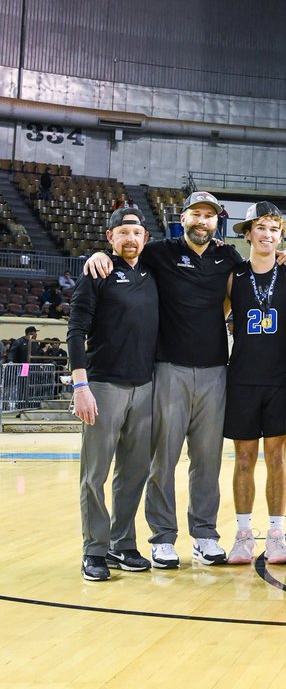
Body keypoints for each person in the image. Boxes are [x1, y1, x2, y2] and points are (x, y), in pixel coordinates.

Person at [85, 191, 254, 569]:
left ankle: (205, 534)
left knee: (207, 461)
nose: (202, 221)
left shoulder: (227, 256)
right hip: (168, 369)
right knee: (163, 460)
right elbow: (122, 252)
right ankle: (162, 537)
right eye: (196, 214)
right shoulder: (158, 251)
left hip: (215, 370)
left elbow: (241, 288)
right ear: (184, 216)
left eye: (210, 216)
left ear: (217, 222)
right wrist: (98, 254)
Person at [68, 207, 158, 581]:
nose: (130, 239)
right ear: (110, 238)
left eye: (135, 233)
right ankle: (94, 550)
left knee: (134, 473)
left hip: (146, 386)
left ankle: (123, 544)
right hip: (103, 385)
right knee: (95, 474)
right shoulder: (98, 271)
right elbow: (76, 328)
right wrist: (80, 385)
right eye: (122, 233)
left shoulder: (155, 272)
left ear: (145, 238)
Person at [224, 202, 286, 565]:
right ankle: (243, 534)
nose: (267, 235)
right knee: (243, 458)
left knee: (276, 458)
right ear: (247, 234)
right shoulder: (233, 276)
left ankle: (275, 533)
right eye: (260, 228)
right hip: (242, 377)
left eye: (274, 229)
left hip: (281, 378)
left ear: (281, 235)